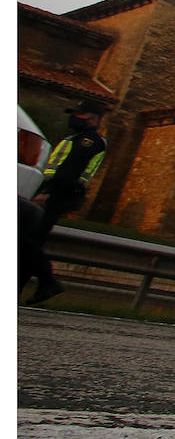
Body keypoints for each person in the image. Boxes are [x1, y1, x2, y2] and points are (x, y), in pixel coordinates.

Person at [21, 101, 108, 305]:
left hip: (60, 194)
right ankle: (37, 285)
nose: (74, 118)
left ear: (93, 118)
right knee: (30, 241)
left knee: (28, 240)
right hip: (58, 193)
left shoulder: (89, 140)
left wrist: (47, 193)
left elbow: (69, 171)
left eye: (79, 115)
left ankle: (48, 281)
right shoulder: (79, 138)